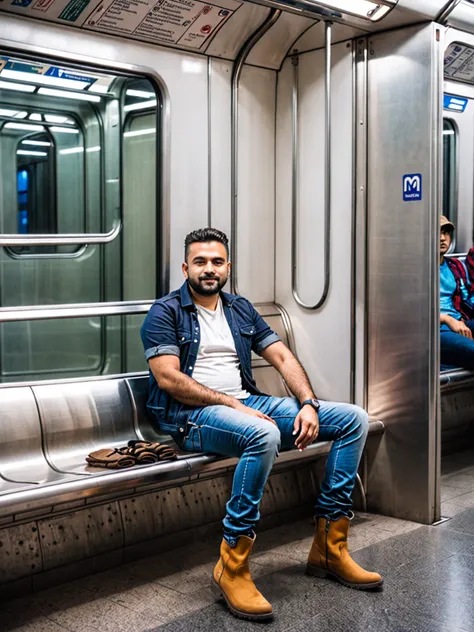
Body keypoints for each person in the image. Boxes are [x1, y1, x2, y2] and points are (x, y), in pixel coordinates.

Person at [140, 227, 382, 621]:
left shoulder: (239, 309)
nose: (209, 269)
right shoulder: (165, 312)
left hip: (246, 405)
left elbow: (284, 358)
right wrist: (232, 403)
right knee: (263, 432)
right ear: (185, 267)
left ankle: (329, 547)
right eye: (200, 262)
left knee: (353, 418)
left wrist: (308, 403)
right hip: (190, 417)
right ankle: (232, 565)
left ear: (228, 267)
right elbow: (169, 379)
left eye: (217, 262)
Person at [440, 215, 474, 369]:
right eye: (437, 232)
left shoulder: (454, 266)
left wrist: (457, 320)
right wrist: (447, 319)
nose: (442, 238)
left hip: (460, 321)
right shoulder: (415, 271)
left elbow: (466, 298)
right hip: (435, 330)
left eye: (446, 233)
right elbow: (409, 313)